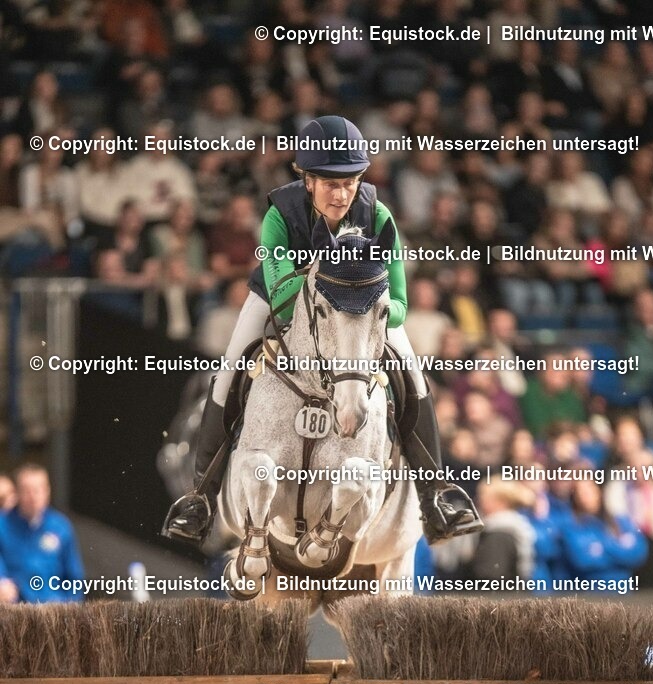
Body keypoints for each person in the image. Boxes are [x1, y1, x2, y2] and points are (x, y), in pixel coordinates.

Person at [163, 115, 484, 546]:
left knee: (412, 374)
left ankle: (436, 496)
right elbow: (280, 295)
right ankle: (200, 497)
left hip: (362, 308)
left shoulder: (379, 214)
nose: (341, 193)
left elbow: (401, 305)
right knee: (230, 369)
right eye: (330, 182)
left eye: (350, 181)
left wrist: (371, 317)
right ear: (306, 179)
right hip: (279, 301)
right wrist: (320, 276)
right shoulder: (280, 215)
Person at [0, 465, 85, 603]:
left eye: (37, 490)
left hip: (53, 608)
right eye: (27, 491)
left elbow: (74, 578)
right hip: (14, 608)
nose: (32, 497)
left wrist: (70, 605)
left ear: (47, 492)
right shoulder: (2, 525)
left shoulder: (61, 527)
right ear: (17, 494)